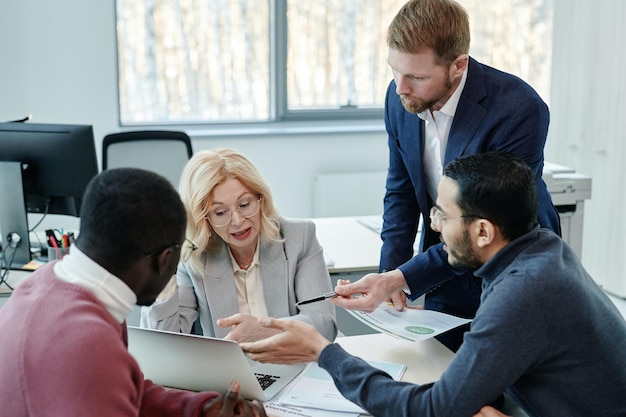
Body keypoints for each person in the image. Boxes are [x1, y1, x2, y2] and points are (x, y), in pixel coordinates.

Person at [240, 152, 626, 417]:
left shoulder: (522, 292)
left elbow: (432, 410)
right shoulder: (542, 248)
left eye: (444, 214)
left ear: (483, 231)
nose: (436, 226)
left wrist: (323, 353)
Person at [0, 168, 266, 417]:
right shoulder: (88, 346)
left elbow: (127, 387)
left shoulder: (50, 284)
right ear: (165, 259)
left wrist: (201, 408)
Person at [377, 0, 561, 351]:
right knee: (442, 377)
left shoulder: (519, 109)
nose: (401, 88)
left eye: (416, 76)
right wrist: (392, 277)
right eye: (394, 71)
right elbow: (400, 194)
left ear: (458, 65)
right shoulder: (399, 97)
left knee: (502, 390)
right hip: (444, 260)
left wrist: (406, 276)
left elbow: (486, 224)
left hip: (509, 270)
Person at [141, 148, 337, 342]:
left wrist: (265, 331)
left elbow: (323, 324)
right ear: (204, 218)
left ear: (261, 199)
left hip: (296, 364)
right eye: (220, 212)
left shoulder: (300, 237)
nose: (237, 220)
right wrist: (163, 275)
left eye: (244, 205)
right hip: (229, 371)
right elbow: (166, 340)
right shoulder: (194, 257)